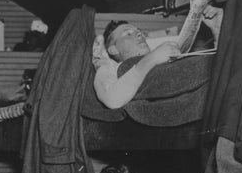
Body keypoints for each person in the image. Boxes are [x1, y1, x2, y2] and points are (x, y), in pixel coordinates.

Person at [93, 6, 223, 109]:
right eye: (128, 33)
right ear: (113, 49)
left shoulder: (162, 53)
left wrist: (219, 34)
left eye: (138, 31)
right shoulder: (110, 68)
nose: (139, 34)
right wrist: (152, 58)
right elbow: (112, 100)